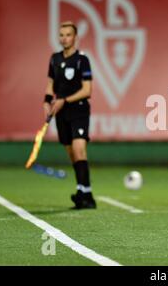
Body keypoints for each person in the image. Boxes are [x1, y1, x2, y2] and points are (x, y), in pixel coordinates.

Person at [43, 21, 96, 209]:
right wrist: (46, 102)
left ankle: (84, 193)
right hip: (61, 112)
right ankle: (84, 191)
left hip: (79, 109)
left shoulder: (82, 59)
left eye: (68, 35)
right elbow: (50, 83)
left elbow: (87, 90)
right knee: (72, 153)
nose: (64, 38)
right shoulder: (54, 59)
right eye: (62, 35)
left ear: (75, 38)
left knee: (79, 148)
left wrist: (64, 100)